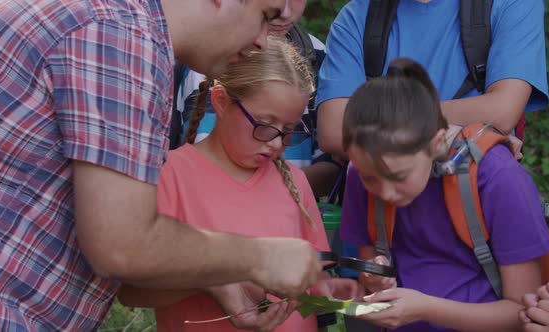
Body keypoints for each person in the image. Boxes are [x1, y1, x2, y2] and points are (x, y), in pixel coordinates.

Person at [0, 0, 327, 330]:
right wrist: (259, 256)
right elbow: (121, 244)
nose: (263, 41)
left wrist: (217, 278)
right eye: (264, 17)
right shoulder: (120, 38)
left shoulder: (105, 21)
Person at [118, 37, 364, 332]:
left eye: (288, 131)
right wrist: (214, 280)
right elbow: (132, 291)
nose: (276, 143)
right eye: (263, 125)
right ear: (221, 101)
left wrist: (333, 291)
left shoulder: (296, 181)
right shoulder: (171, 176)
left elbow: (314, 276)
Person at [339, 58, 549, 332]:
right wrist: (375, 279)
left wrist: (425, 310)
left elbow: (524, 311)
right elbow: (369, 275)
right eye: (371, 178)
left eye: (399, 176)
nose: (385, 192)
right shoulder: (361, 173)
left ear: (437, 141)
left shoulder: (498, 179)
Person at [316, 0, 549, 160]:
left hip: (476, 212)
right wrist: (464, 136)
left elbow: (502, 111)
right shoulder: (357, 17)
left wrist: (375, 123)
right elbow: (335, 131)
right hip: (379, 216)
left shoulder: (510, 4)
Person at [172, 0, 344, 198]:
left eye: (290, 130)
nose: (285, 12)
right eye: (263, 125)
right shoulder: (211, 56)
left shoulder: (317, 53)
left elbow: (332, 163)